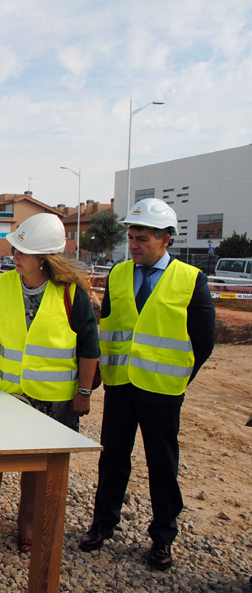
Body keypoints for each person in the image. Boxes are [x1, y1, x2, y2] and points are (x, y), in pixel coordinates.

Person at [80, 198, 215, 570]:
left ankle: (162, 539)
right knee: (112, 460)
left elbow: (203, 340)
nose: (134, 244)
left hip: (162, 391)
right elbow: (108, 328)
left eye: (142, 238)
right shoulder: (119, 274)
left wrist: (179, 375)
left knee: (162, 465)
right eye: (132, 237)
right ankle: (102, 524)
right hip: (121, 385)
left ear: (165, 239)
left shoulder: (190, 279)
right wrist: (97, 380)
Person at [0, 213, 99, 553]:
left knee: (37, 466)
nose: (14, 256)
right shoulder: (3, 285)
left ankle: (28, 522)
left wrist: (84, 392)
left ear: (45, 259)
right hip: (5, 394)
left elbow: (89, 347)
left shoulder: (71, 294)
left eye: (22, 252)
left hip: (52, 401)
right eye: (15, 250)